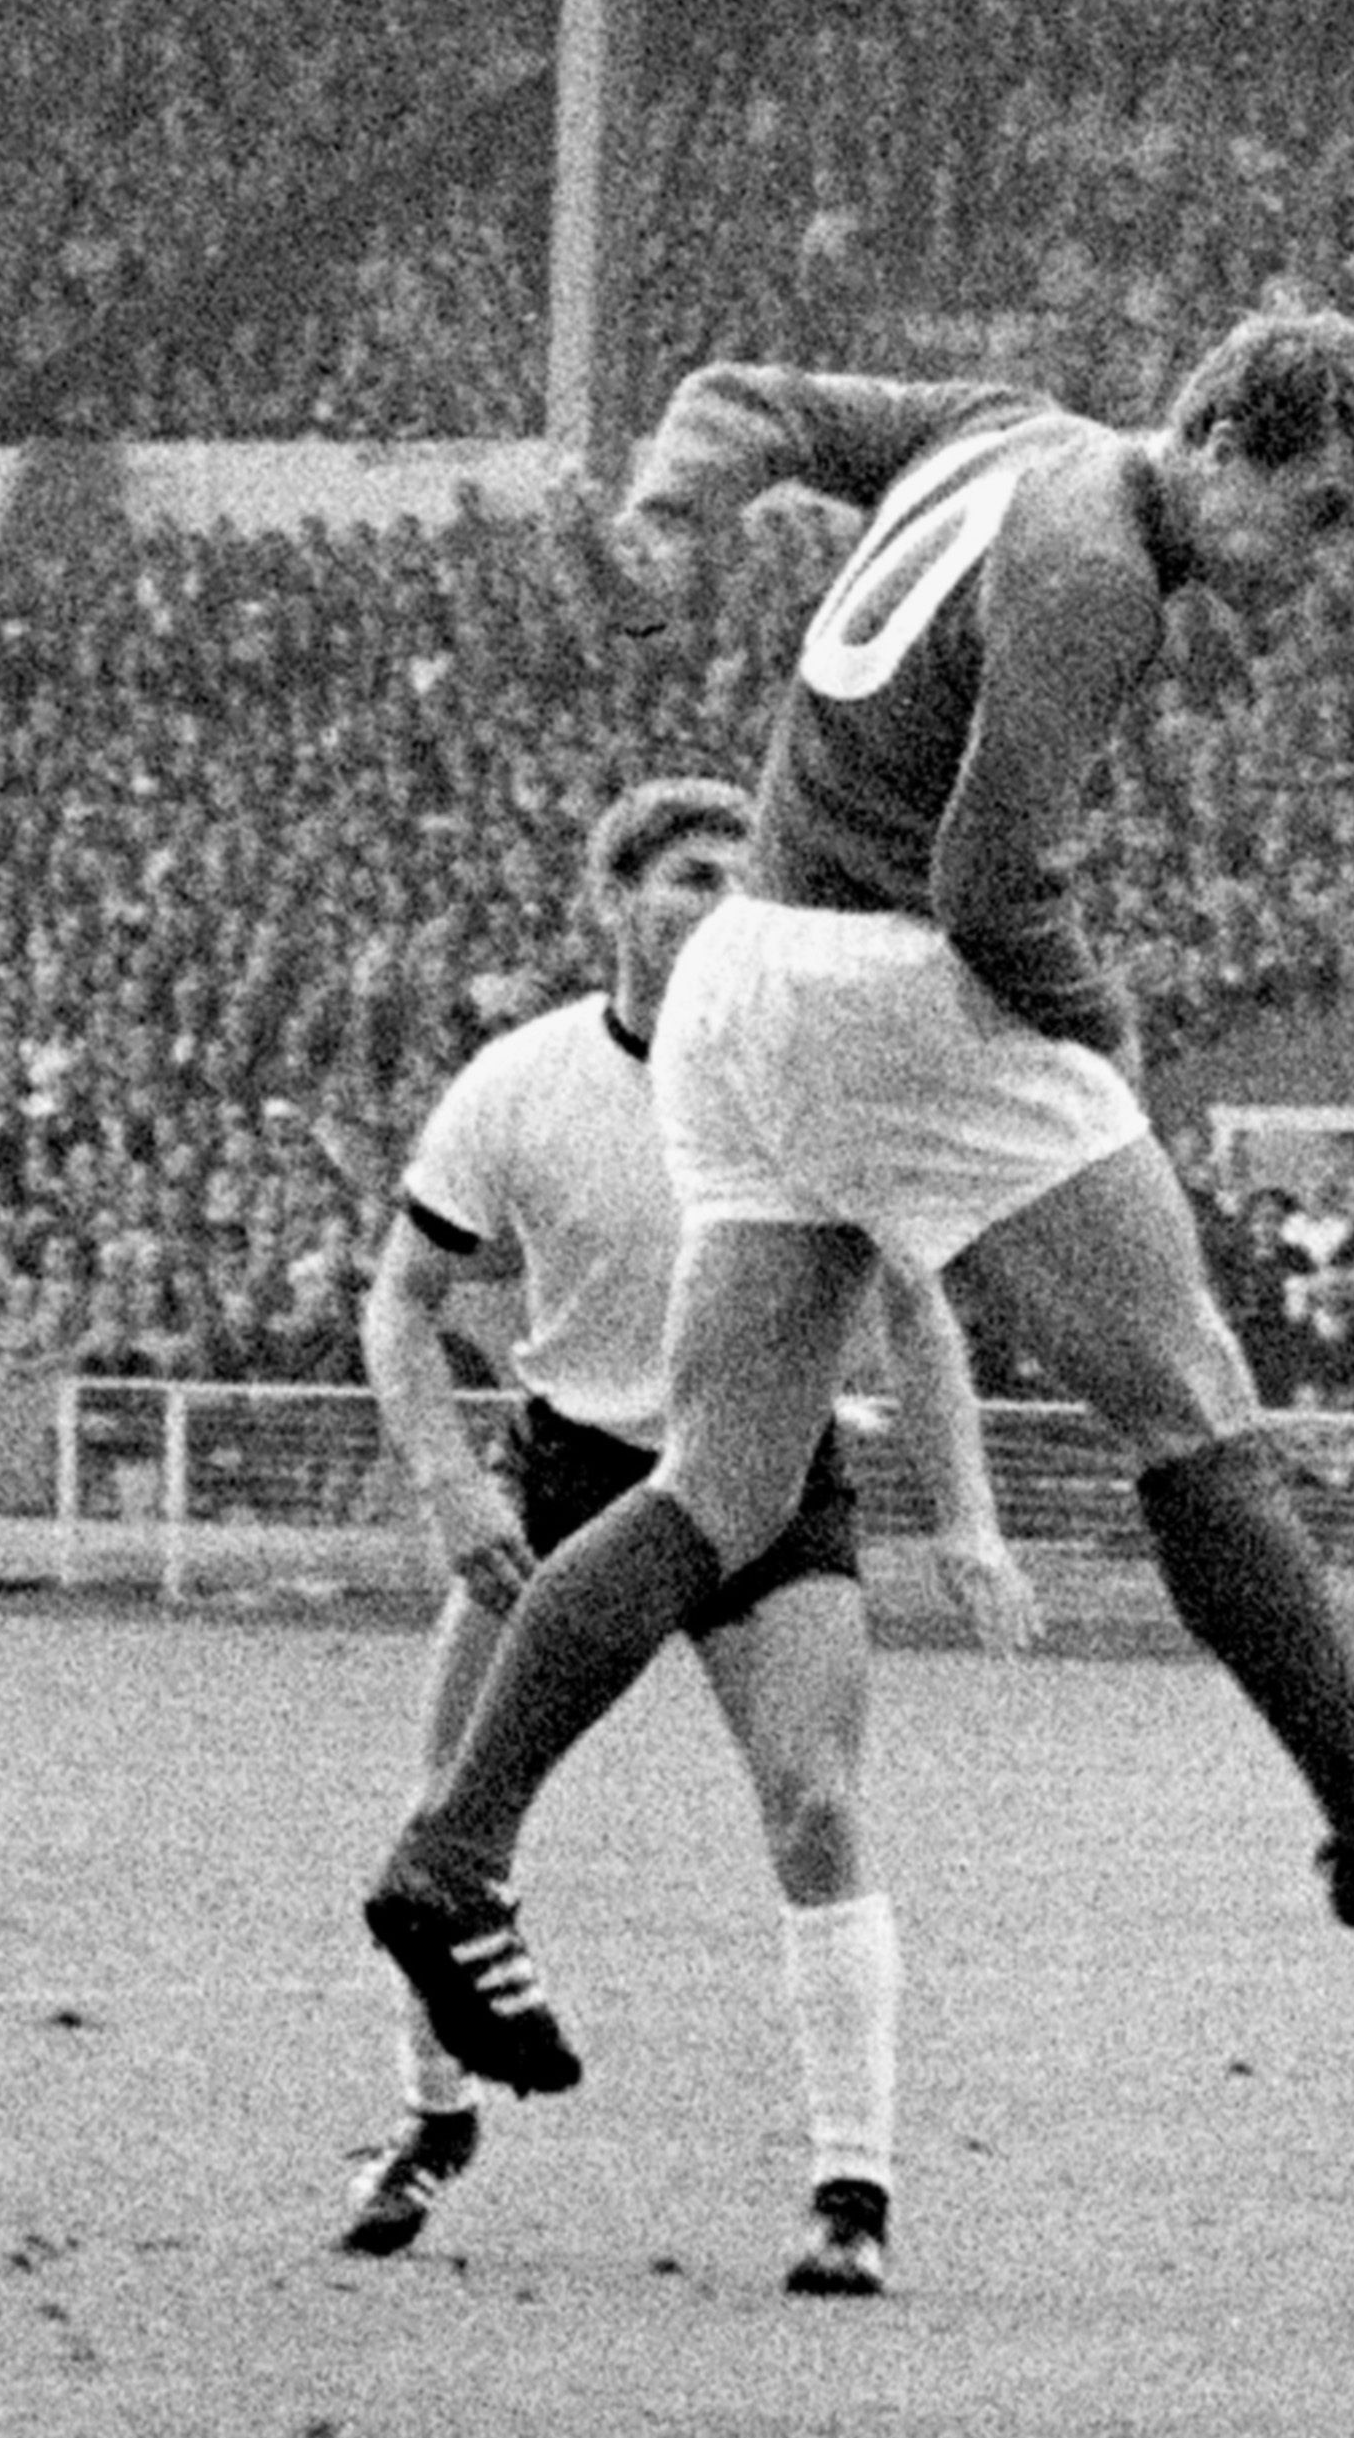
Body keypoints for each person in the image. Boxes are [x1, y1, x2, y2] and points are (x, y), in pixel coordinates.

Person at [361, 310, 1354, 2102]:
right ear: (1220, 441)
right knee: (1189, 1393)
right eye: (1317, 514)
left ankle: (452, 1857)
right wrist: (1093, 1028)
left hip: (745, 986)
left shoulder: (1000, 426)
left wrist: (665, 516)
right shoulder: (1100, 571)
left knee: (716, 1485)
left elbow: (753, 399)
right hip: (880, 981)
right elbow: (987, 877)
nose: (1315, 562)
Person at [341, 777, 1038, 2296]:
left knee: (816, 1811)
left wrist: (968, 1520)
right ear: (615, 897)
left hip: (768, 1481)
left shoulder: (815, 1082)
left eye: (742, 875)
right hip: (569, 1480)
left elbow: (916, 1307)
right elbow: (399, 1296)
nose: (716, 899)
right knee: (449, 1816)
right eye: (685, 875)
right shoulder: (519, 1082)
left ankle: (852, 2188)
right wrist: (451, 1485)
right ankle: (429, 2120)